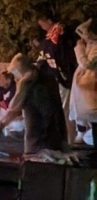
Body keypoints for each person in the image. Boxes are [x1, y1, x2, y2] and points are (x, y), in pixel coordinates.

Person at [0, 53, 66, 154]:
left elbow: (15, 109)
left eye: (14, 73)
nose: (14, 78)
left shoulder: (28, 84)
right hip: (55, 135)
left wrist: (1, 125)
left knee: (37, 164)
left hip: (40, 139)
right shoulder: (43, 77)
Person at [36, 9, 79, 144]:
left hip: (61, 77)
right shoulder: (49, 37)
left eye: (43, 23)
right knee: (57, 109)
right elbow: (43, 57)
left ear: (49, 21)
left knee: (66, 109)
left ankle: (70, 138)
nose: (41, 26)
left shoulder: (60, 33)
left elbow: (62, 56)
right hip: (51, 78)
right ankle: (61, 137)